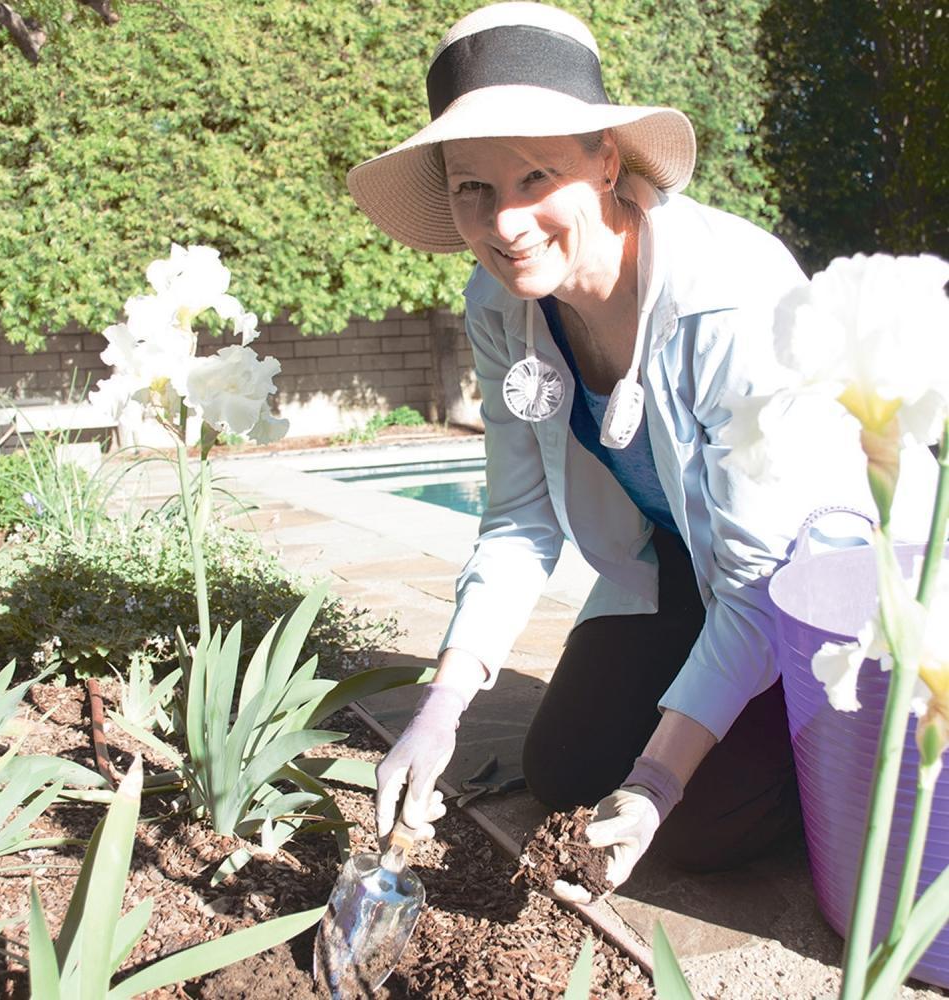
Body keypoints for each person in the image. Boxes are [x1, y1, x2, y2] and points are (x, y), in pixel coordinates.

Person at [345, 1, 935, 898]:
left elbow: (758, 578)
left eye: (535, 175)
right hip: (675, 568)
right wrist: (442, 706)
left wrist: (657, 784)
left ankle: (831, 765)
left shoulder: (730, 301)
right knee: (567, 771)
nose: (505, 223)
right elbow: (517, 519)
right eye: (474, 188)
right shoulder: (499, 303)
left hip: (818, 587)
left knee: (695, 825)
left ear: (607, 161)